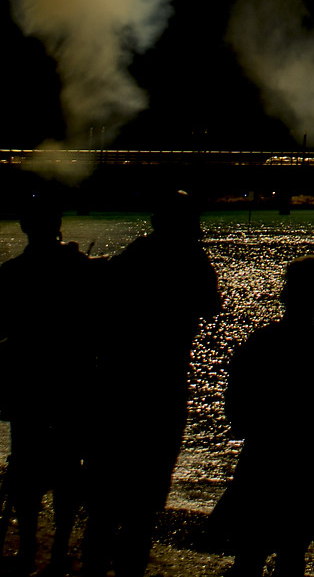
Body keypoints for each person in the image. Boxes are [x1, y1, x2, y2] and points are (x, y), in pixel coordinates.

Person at [83, 195, 223, 577]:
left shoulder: (132, 257)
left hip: (119, 380)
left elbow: (101, 305)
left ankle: (95, 563)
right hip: (164, 382)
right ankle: (129, 567)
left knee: (106, 491)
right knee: (146, 496)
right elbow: (211, 306)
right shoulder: (192, 259)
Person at [209, 257, 314, 577]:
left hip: (262, 461)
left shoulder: (261, 343)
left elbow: (236, 414)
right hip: (309, 467)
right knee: (292, 552)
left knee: (250, 555)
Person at [0, 206, 98, 564]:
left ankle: (28, 545)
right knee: (68, 468)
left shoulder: (12, 272)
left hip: (27, 382)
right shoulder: (79, 268)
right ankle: (61, 548)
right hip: (72, 382)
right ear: (59, 227)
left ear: (24, 229)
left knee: (26, 467)